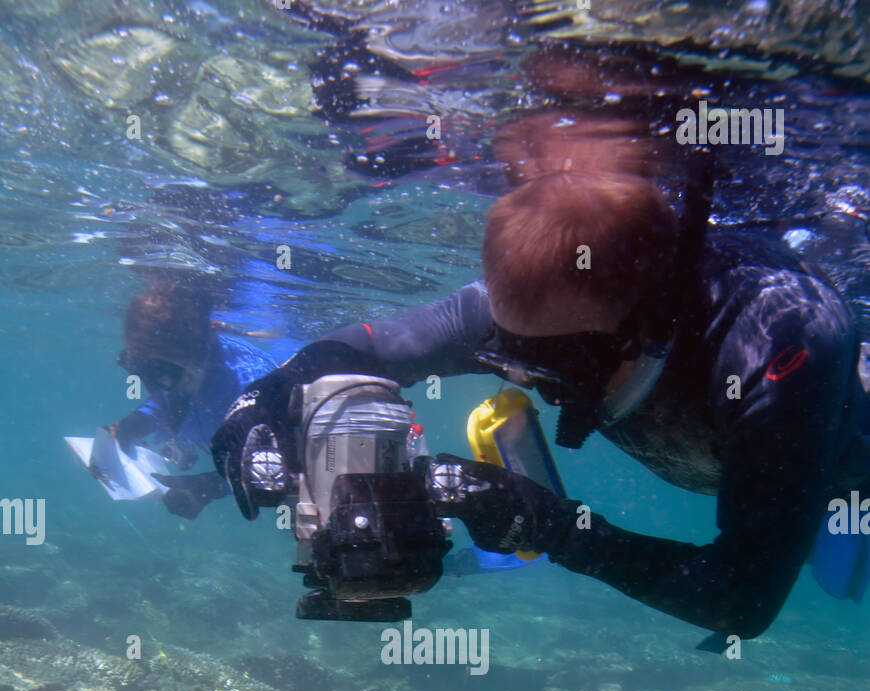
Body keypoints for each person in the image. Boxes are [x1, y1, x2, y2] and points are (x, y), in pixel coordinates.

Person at [210, 157, 870, 641]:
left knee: (818, 540)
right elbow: (363, 349)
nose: (518, 379)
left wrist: (551, 526)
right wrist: (255, 407)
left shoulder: (777, 348)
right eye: (504, 350)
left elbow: (741, 599)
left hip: (844, 456)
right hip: (732, 453)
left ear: (639, 334)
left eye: (548, 366)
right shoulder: (550, 302)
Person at [112, 279, 277, 520]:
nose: (151, 385)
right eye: (138, 367)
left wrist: (211, 486)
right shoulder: (184, 372)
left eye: (160, 373)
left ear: (197, 358)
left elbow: (282, 466)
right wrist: (135, 424)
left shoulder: (249, 391)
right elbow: (171, 398)